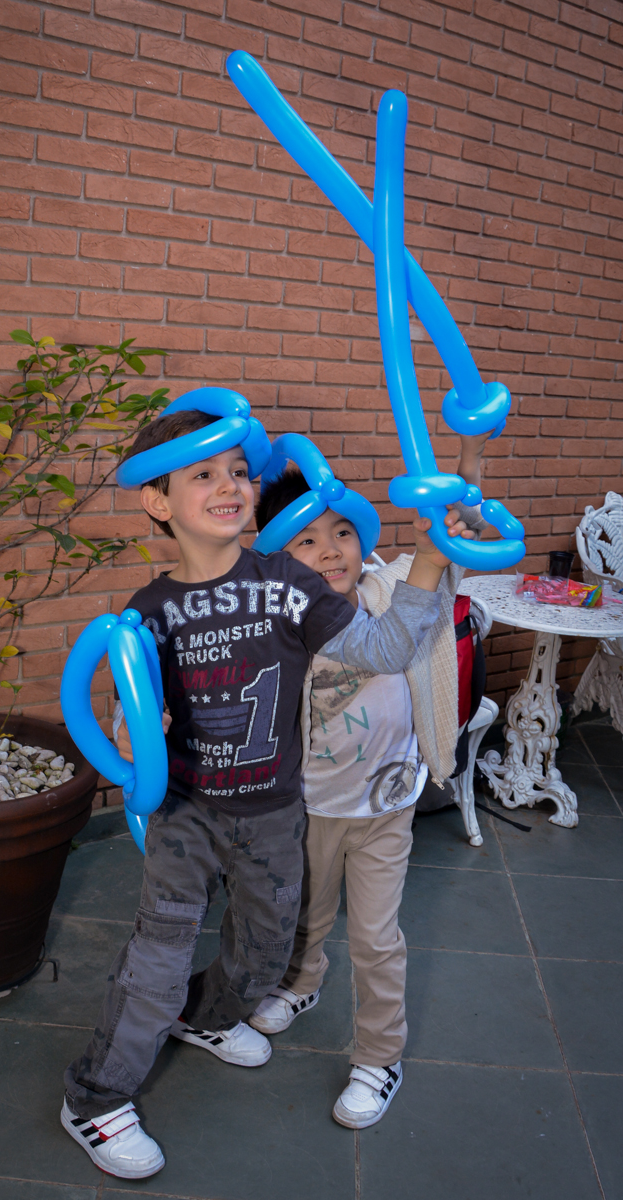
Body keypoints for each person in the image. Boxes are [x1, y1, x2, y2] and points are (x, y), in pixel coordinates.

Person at [61, 408, 476, 1179]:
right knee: (159, 950)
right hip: (185, 810)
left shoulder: (286, 584)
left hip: (273, 813)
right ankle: (94, 1096)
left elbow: (385, 649)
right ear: (158, 502)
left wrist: (425, 555)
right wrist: (129, 732)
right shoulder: (150, 611)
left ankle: (205, 1016)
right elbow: (128, 709)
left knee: (261, 955)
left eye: (238, 472)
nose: (230, 486)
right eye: (203, 475)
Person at [248, 433, 488, 1130]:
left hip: (386, 804)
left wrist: (469, 455)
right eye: (306, 542)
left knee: (376, 937)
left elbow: (455, 533)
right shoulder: (279, 623)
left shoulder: (392, 589)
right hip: (309, 806)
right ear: (276, 560)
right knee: (306, 916)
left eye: (342, 532)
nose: (330, 552)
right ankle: (300, 983)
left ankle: (379, 1057)